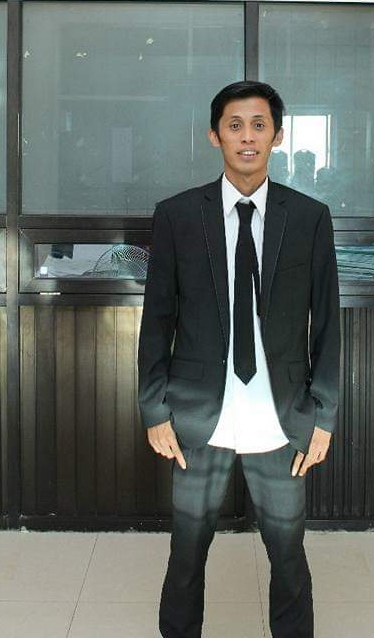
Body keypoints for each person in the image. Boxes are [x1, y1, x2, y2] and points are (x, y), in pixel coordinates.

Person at [138, 80, 340, 638]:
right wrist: (154, 409)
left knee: (289, 558)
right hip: (197, 415)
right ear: (214, 136)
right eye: (234, 125)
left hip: (282, 416)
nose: (247, 137)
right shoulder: (178, 215)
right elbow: (156, 320)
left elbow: (327, 323)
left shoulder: (309, 217)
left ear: (277, 136)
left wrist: (324, 415)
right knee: (186, 556)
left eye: (258, 125)